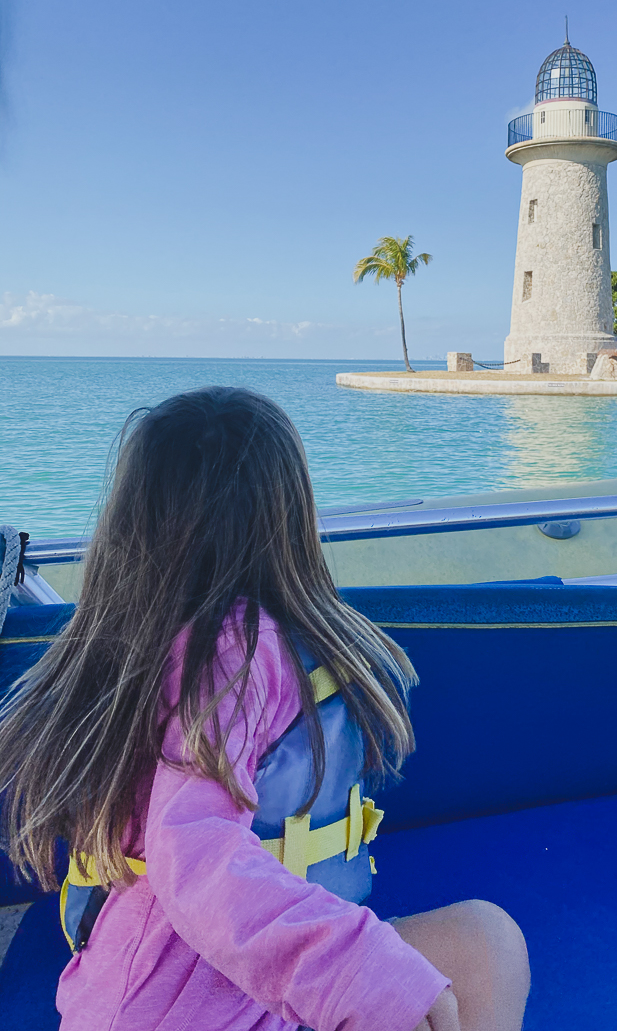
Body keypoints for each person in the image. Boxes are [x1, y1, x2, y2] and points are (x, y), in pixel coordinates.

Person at [0, 387, 530, 1031]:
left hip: (136, 998)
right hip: (200, 1010)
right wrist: (365, 977)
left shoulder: (143, 646)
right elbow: (192, 854)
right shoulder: (239, 652)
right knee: (489, 942)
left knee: (481, 945)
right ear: (287, 513)